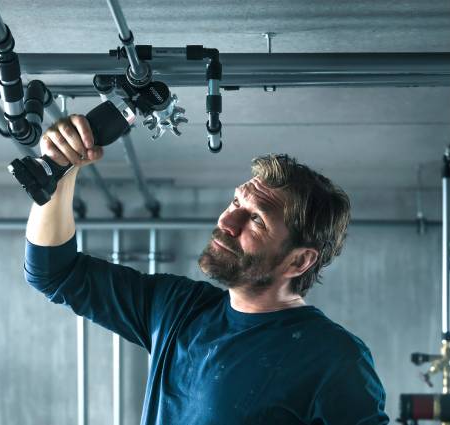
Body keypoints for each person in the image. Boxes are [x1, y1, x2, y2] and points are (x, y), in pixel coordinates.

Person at [23, 115, 389, 424]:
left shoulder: (334, 358)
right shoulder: (177, 308)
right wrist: (61, 171)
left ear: (299, 260)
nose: (227, 221)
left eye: (256, 220)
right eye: (235, 201)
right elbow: (54, 271)